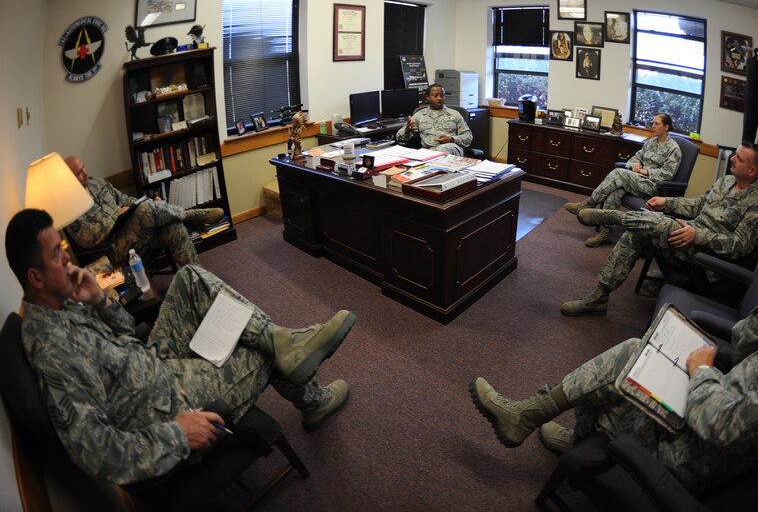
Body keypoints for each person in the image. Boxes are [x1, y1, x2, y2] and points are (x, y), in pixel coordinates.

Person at [469, 217, 758, 494]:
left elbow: (725, 430)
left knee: (623, 368)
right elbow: (745, 346)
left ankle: (528, 417)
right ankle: (546, 424)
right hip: (707, 406)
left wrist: (701, 373)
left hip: (694, 451)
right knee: (636, 355)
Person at [6, 208, 356, 485]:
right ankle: (311, 397)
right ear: (35, 277)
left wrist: (100, 301)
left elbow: (127, 333)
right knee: (258, 350)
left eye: (64, 250)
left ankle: (285, 342)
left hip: (154, 363)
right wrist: (177, 434)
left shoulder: (62, 302)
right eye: (57, 255)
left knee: (189, 279)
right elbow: (97, 452)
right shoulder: (53, 352)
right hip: (167, 405)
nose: (69, 261)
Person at [562, 141, 758, 316]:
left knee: (666, 223)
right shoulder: (726, 181)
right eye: (735, 154)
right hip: (685, 235)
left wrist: (698, 235)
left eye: (739, 158)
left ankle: (618, 217)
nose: (732, 158)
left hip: (705, 256)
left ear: (752, 170)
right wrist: (666, 202)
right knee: (636, 235)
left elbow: (739, 246)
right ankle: (599, 297)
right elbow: (698, 205)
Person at [65, 155, 222, 268]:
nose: (85, 173)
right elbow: (87, 240)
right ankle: (192, 216)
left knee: (174, 227)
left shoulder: (98, 184)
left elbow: (125, 200)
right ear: (69, 178)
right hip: (114, 250)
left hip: (137, 234)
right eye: (78, 173)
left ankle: (197, 285)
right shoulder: (70, 208)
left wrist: (148, 205)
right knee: (146, 209)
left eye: (83, 167)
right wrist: (116, 217)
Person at [563, 113, 681, 247]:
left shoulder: (674, 149)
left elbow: (667, 174)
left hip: (653, 186)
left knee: (619, 173)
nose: (653, 126)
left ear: (666, 127)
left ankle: (591, 202)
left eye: (657, 124)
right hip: (637, 180)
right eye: (653, 123)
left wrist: (645, 171)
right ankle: (606, 233)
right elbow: (635, 157)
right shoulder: (650, 142)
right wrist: (634, 164)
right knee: (616, 192)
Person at [396, 83, 473, 156]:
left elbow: (468, 137)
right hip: (428, 152)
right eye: (435, 96)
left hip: (451, 149)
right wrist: (407, 130)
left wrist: (451, 139)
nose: (439, 98)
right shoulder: (419, 115)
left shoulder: (454, 114)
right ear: (428, 97)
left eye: (441, 95)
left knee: (442, 149)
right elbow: (399, 138)